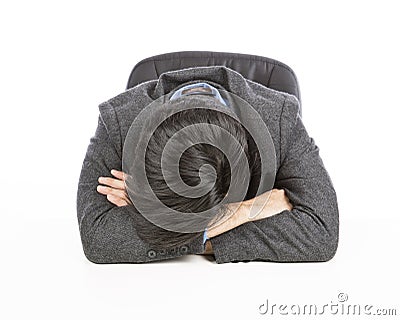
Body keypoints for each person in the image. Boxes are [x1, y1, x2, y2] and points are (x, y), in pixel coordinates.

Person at [76, 66, 339, 264]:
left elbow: (322, 233)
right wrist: (247, 211)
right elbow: (96, 239)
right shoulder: (118, 121)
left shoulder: (281, 119)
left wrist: (161, 225)